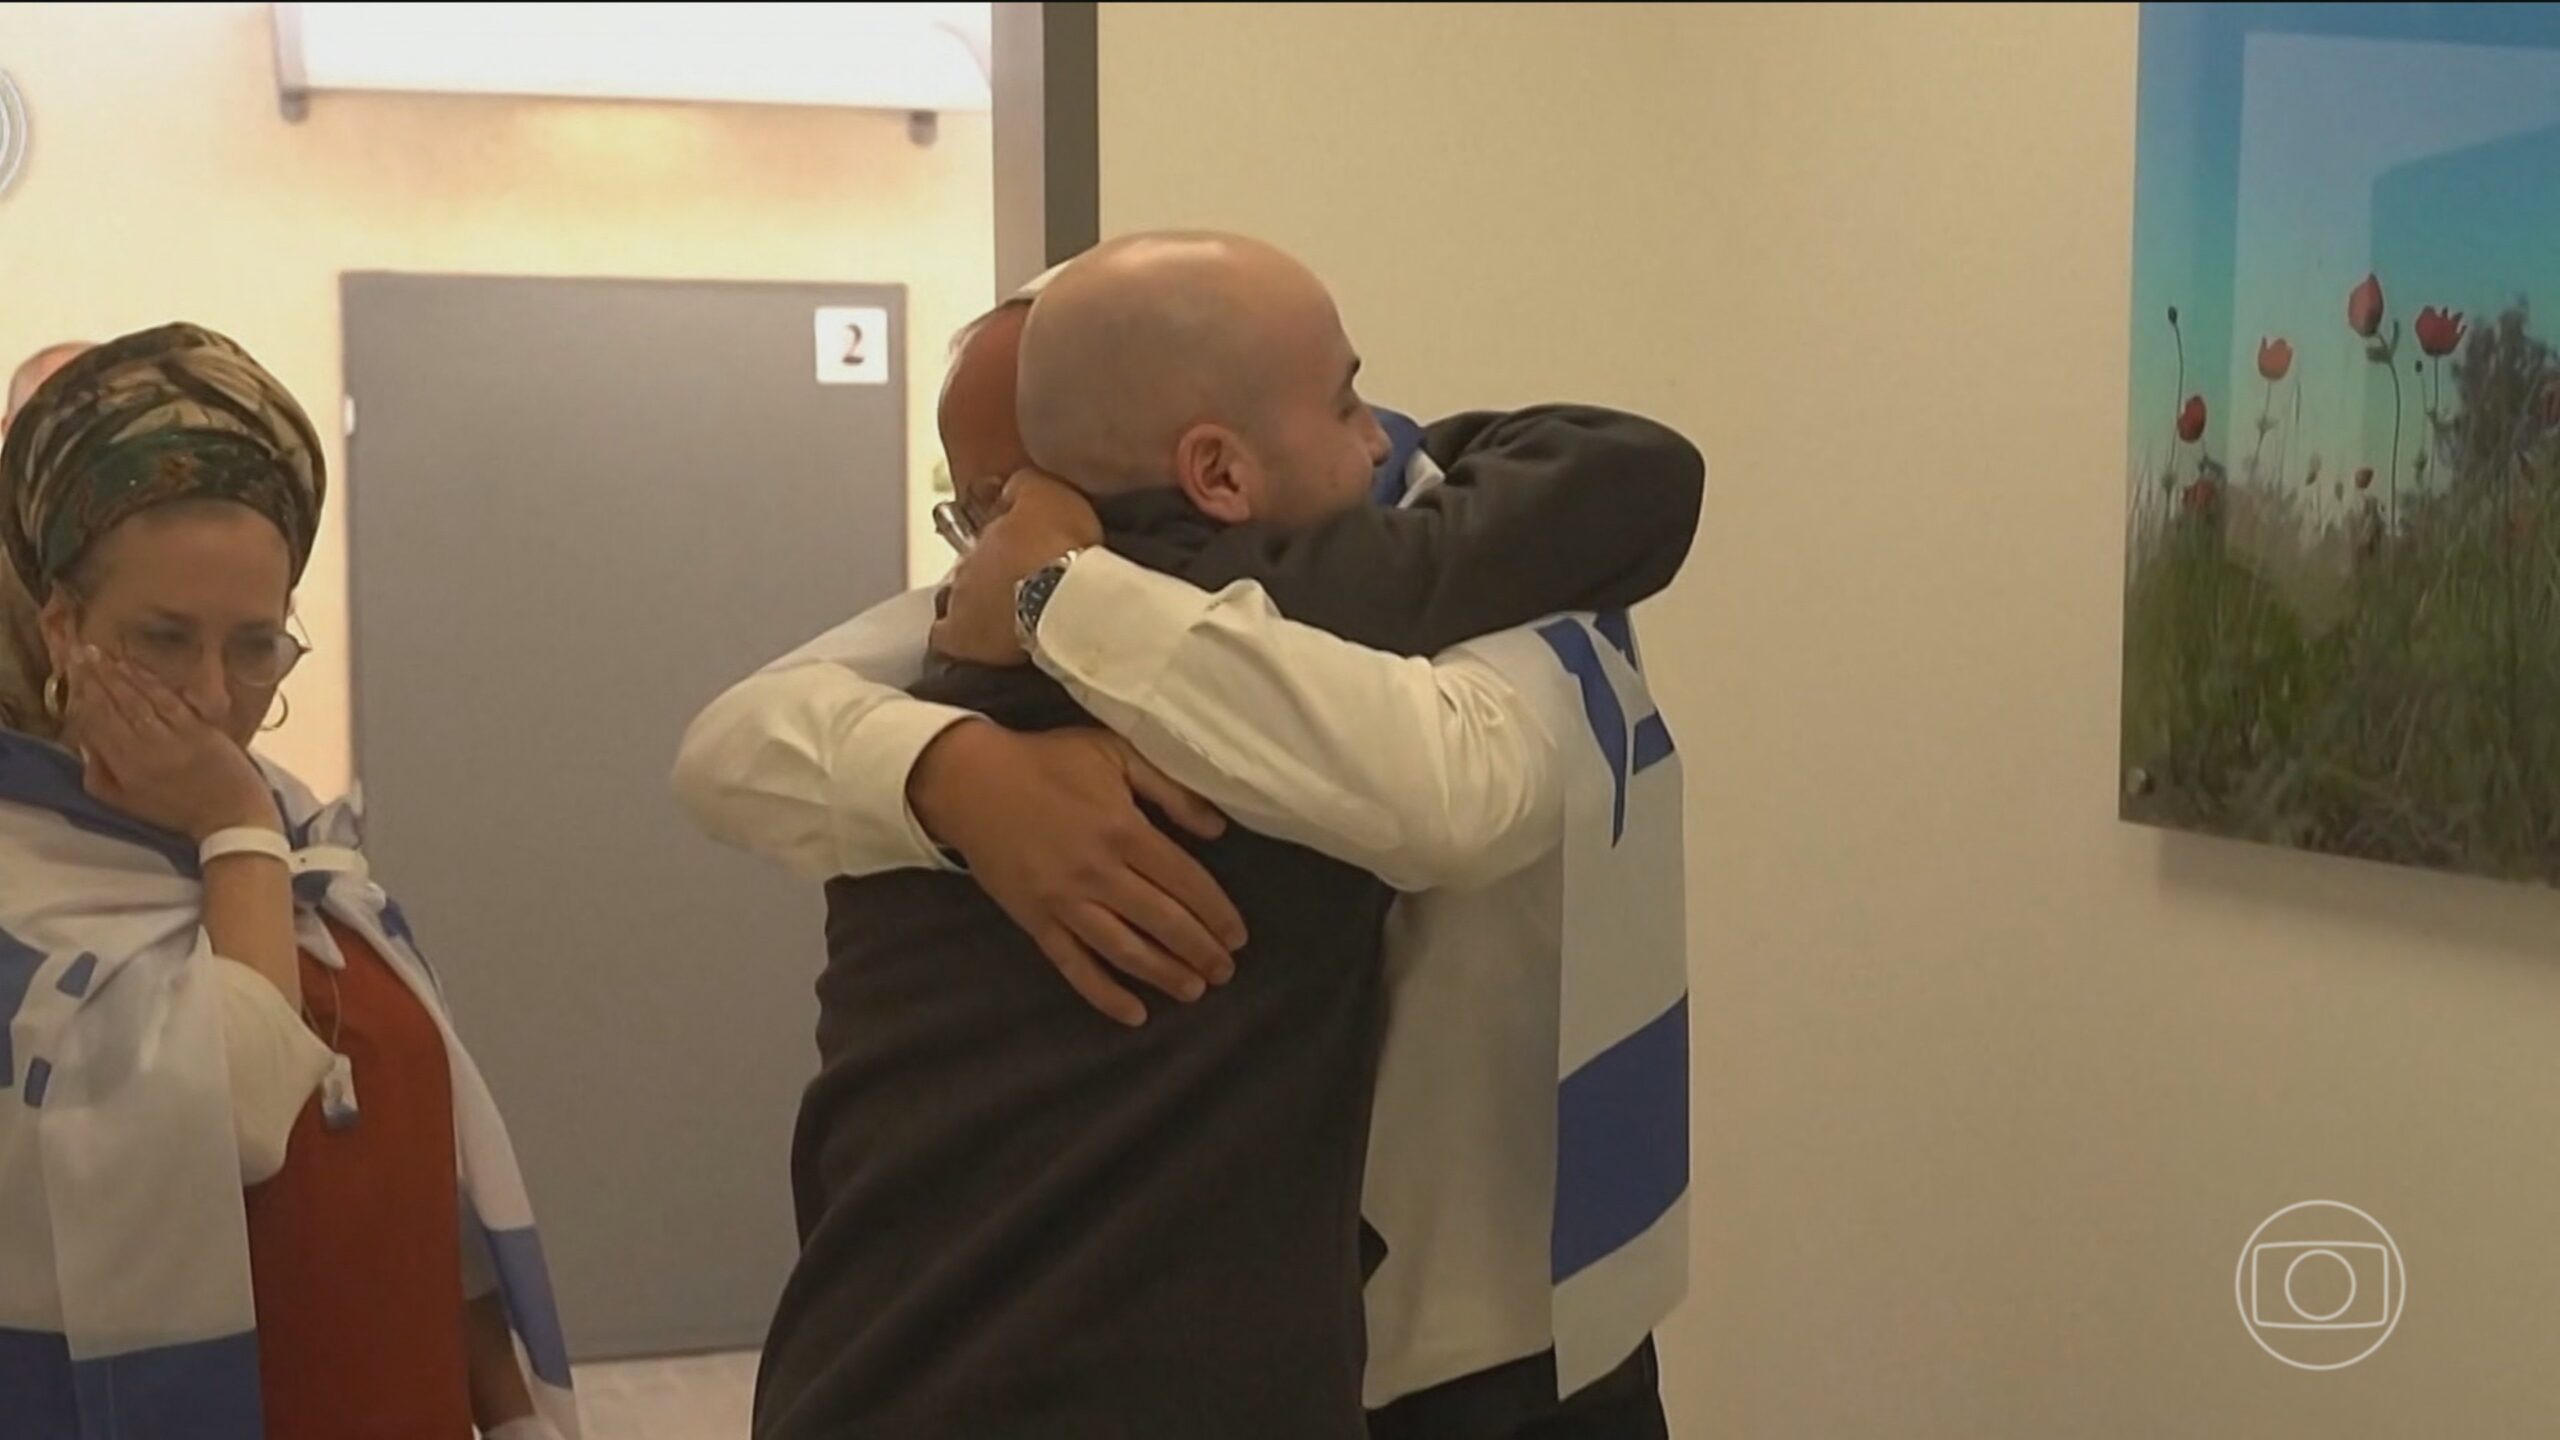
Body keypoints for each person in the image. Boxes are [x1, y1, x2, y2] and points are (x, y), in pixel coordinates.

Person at [676, 232, 1697, 1438]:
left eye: (1026, 499)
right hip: (1228, 1340)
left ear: (1202, 470)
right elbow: (734, 739)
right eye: (990, 509)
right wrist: (953, 775)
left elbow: (1451, 793)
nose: (1003, 534)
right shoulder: (1009, 626)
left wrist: (1065, 590)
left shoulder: (1478, 575)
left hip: (1500, 1331)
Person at [0, 324, 578, 1440]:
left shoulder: (306, 850)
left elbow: (430, 1183)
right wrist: (232, 827)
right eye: (163, 639)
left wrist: (513, 1418)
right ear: (63, 626)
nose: (215, 696)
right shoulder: (42, 879)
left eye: (256, 646)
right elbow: (232, 1123)